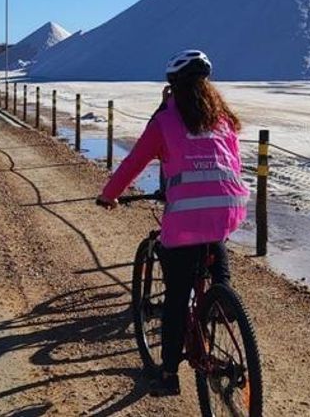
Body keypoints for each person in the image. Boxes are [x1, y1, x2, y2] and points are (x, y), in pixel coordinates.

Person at [97, 49, 249, 397]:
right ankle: (222, 296)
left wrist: (109, 195)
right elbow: (234, 164)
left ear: (172, 86)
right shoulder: (223, 119)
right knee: (214, 238)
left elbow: (135, 162)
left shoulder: (165, 120)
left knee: (177, 299)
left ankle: (168, 375)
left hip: (186, 216)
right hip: (229, 206)